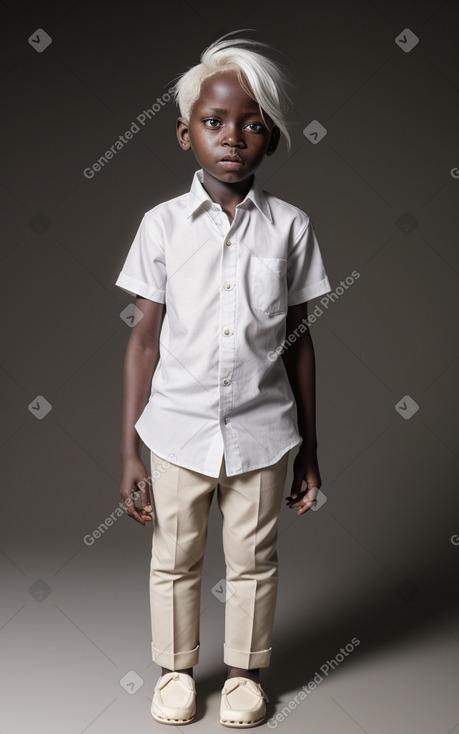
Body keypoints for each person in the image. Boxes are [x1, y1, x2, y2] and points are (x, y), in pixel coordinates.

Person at [115, 31, 332, 728]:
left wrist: (309, 446)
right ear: (185, 134)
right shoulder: (161, 227)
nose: (231, 137)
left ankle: (244, 674)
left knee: (253, 560)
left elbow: (299, 344)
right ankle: (175, 672)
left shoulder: (290, 228)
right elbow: (143, 338)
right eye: (213, 123)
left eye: (250, 124)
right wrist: (129, 451)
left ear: (269, 139)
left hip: (263, 434)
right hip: (175, 432)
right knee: (173, 561)